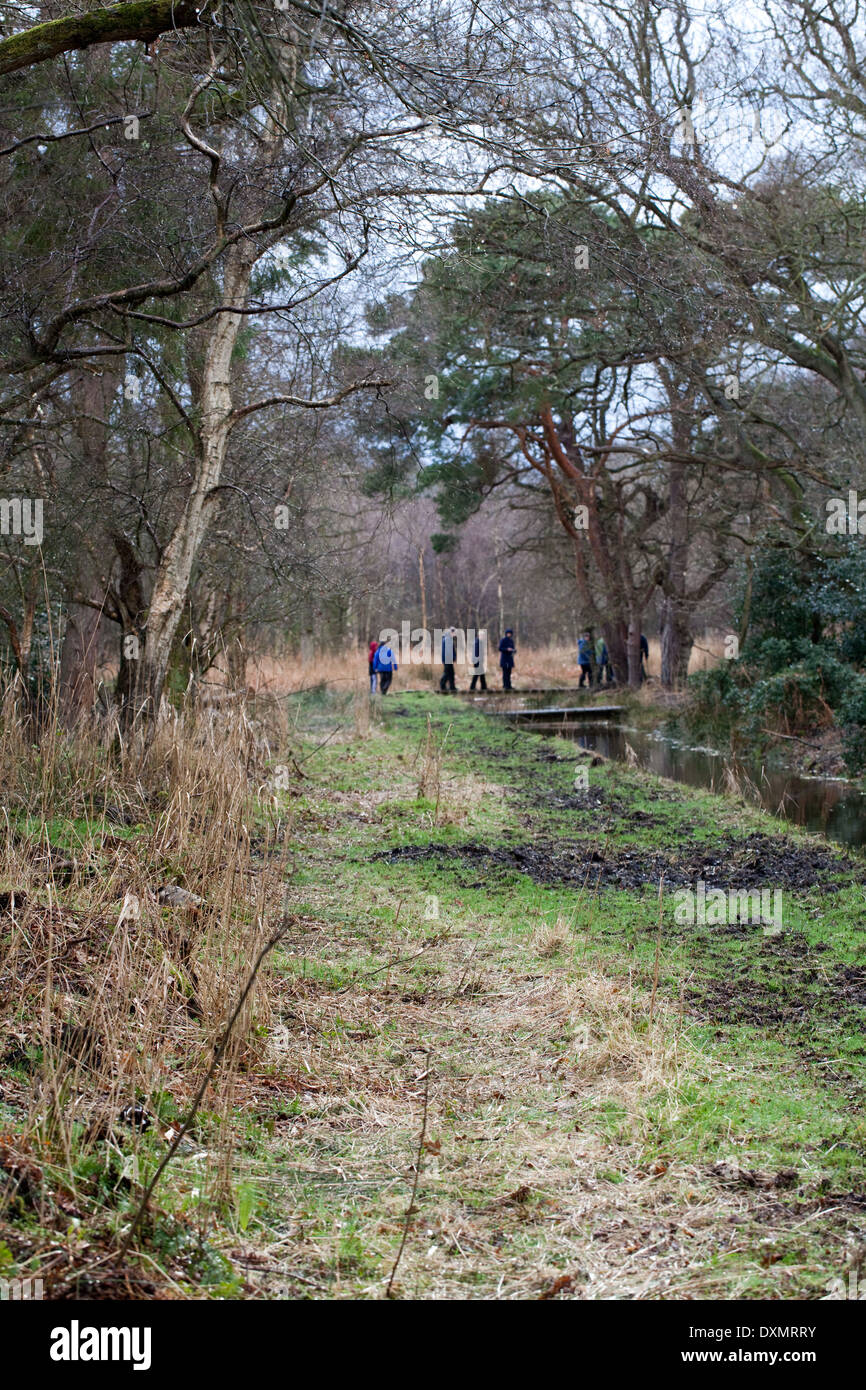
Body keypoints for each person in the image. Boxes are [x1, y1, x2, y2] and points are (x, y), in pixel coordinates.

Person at [440, 626, 458, 692]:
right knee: (447, 673)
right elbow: (448, 651)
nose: (455, 634)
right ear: (451, 632)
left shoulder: (448, 638)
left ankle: (452, 687)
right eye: (454, 633)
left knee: (451, 673)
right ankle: (442, 686)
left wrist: (453, 658)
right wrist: (453, 658)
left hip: (448, 659)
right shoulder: (448, 639)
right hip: (447, 660)